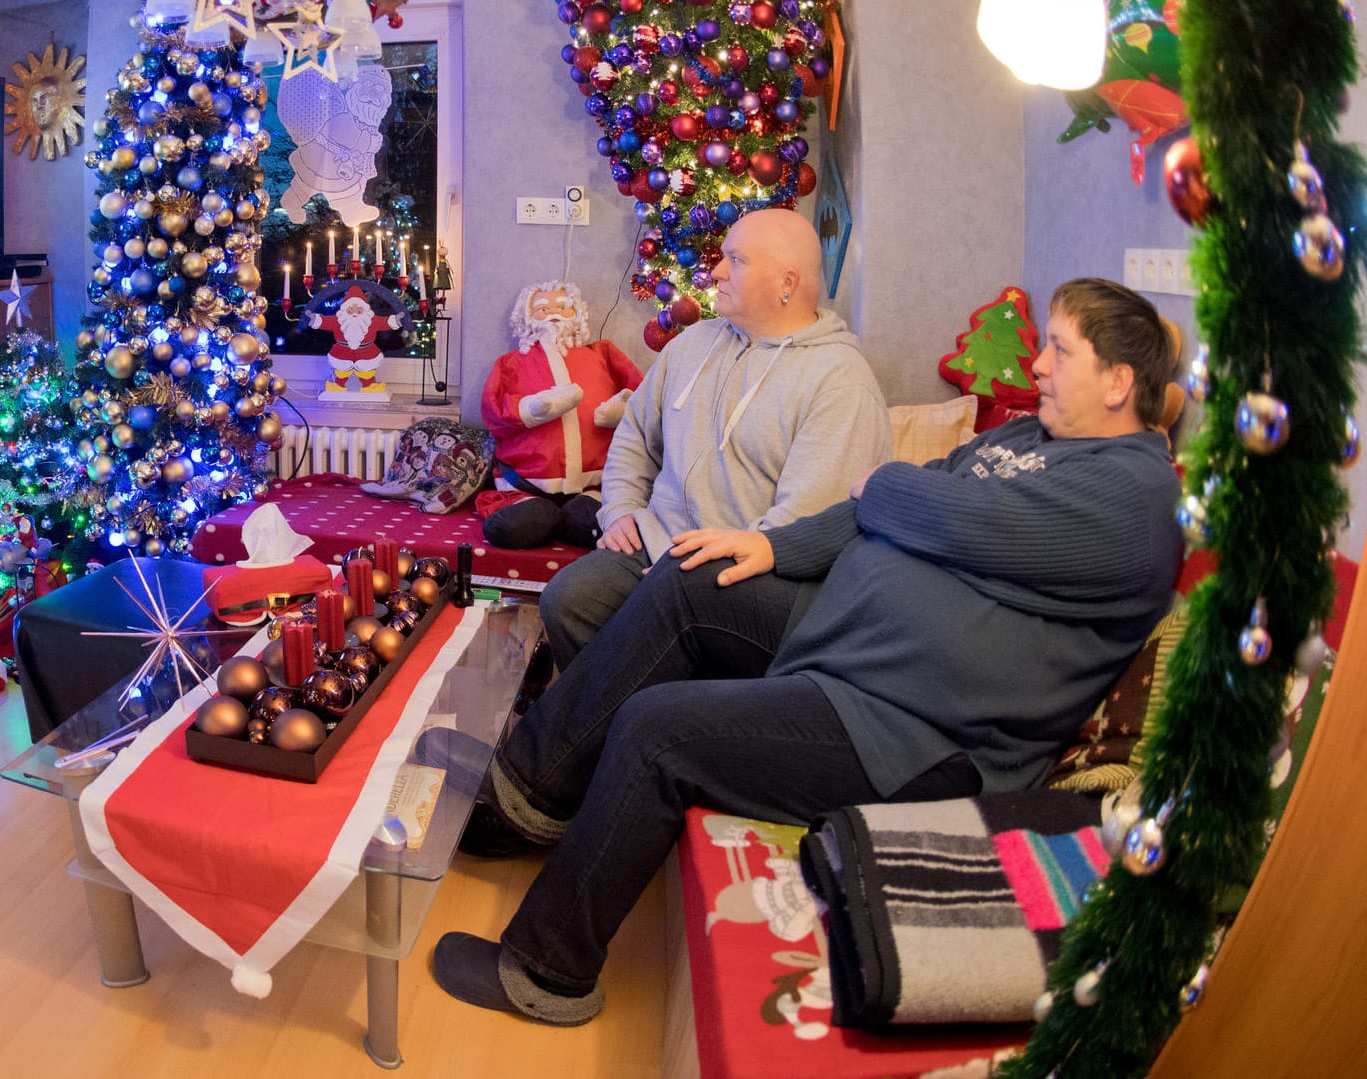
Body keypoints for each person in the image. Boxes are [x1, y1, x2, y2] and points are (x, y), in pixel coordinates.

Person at [429, 278, 1184, 1025]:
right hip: (848, 646)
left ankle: (547, 971)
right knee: (689, 580)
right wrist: (766, 543)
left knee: (659, 732)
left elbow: (938, 513)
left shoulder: (1133, 500)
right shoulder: (1031, 438)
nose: (1040, 366)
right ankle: (527, 798)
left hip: (913, 734)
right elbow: (879, 511)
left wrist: (887, 487)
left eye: (1060, 350)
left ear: (1119, 382)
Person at [541, 208, 890, 670]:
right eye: (722, 257)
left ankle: (648, 727)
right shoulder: (692, 344)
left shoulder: (839, 379)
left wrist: (690, 582)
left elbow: (806, 524)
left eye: (737, 260)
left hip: (752, 573)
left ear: (787, 282)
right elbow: (636, 437)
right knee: (569, 599)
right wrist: (621, 508)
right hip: (657, 542)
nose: (717, 271)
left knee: (654, 646)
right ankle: (625, 729)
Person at [477, 280, 645, 549]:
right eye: (543, 309)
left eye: (563, 306)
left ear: (577, 312)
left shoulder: (602, 353)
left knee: (590, 521)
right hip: (526, 486)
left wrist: (621, 408)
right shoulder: (510, 364)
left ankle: (573, 519)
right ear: (527, 317)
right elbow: (493, 411)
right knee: (515, 526)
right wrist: (532, 408)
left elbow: (643, 395)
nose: (553, 312)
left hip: (594, 487)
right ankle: (544, 517)